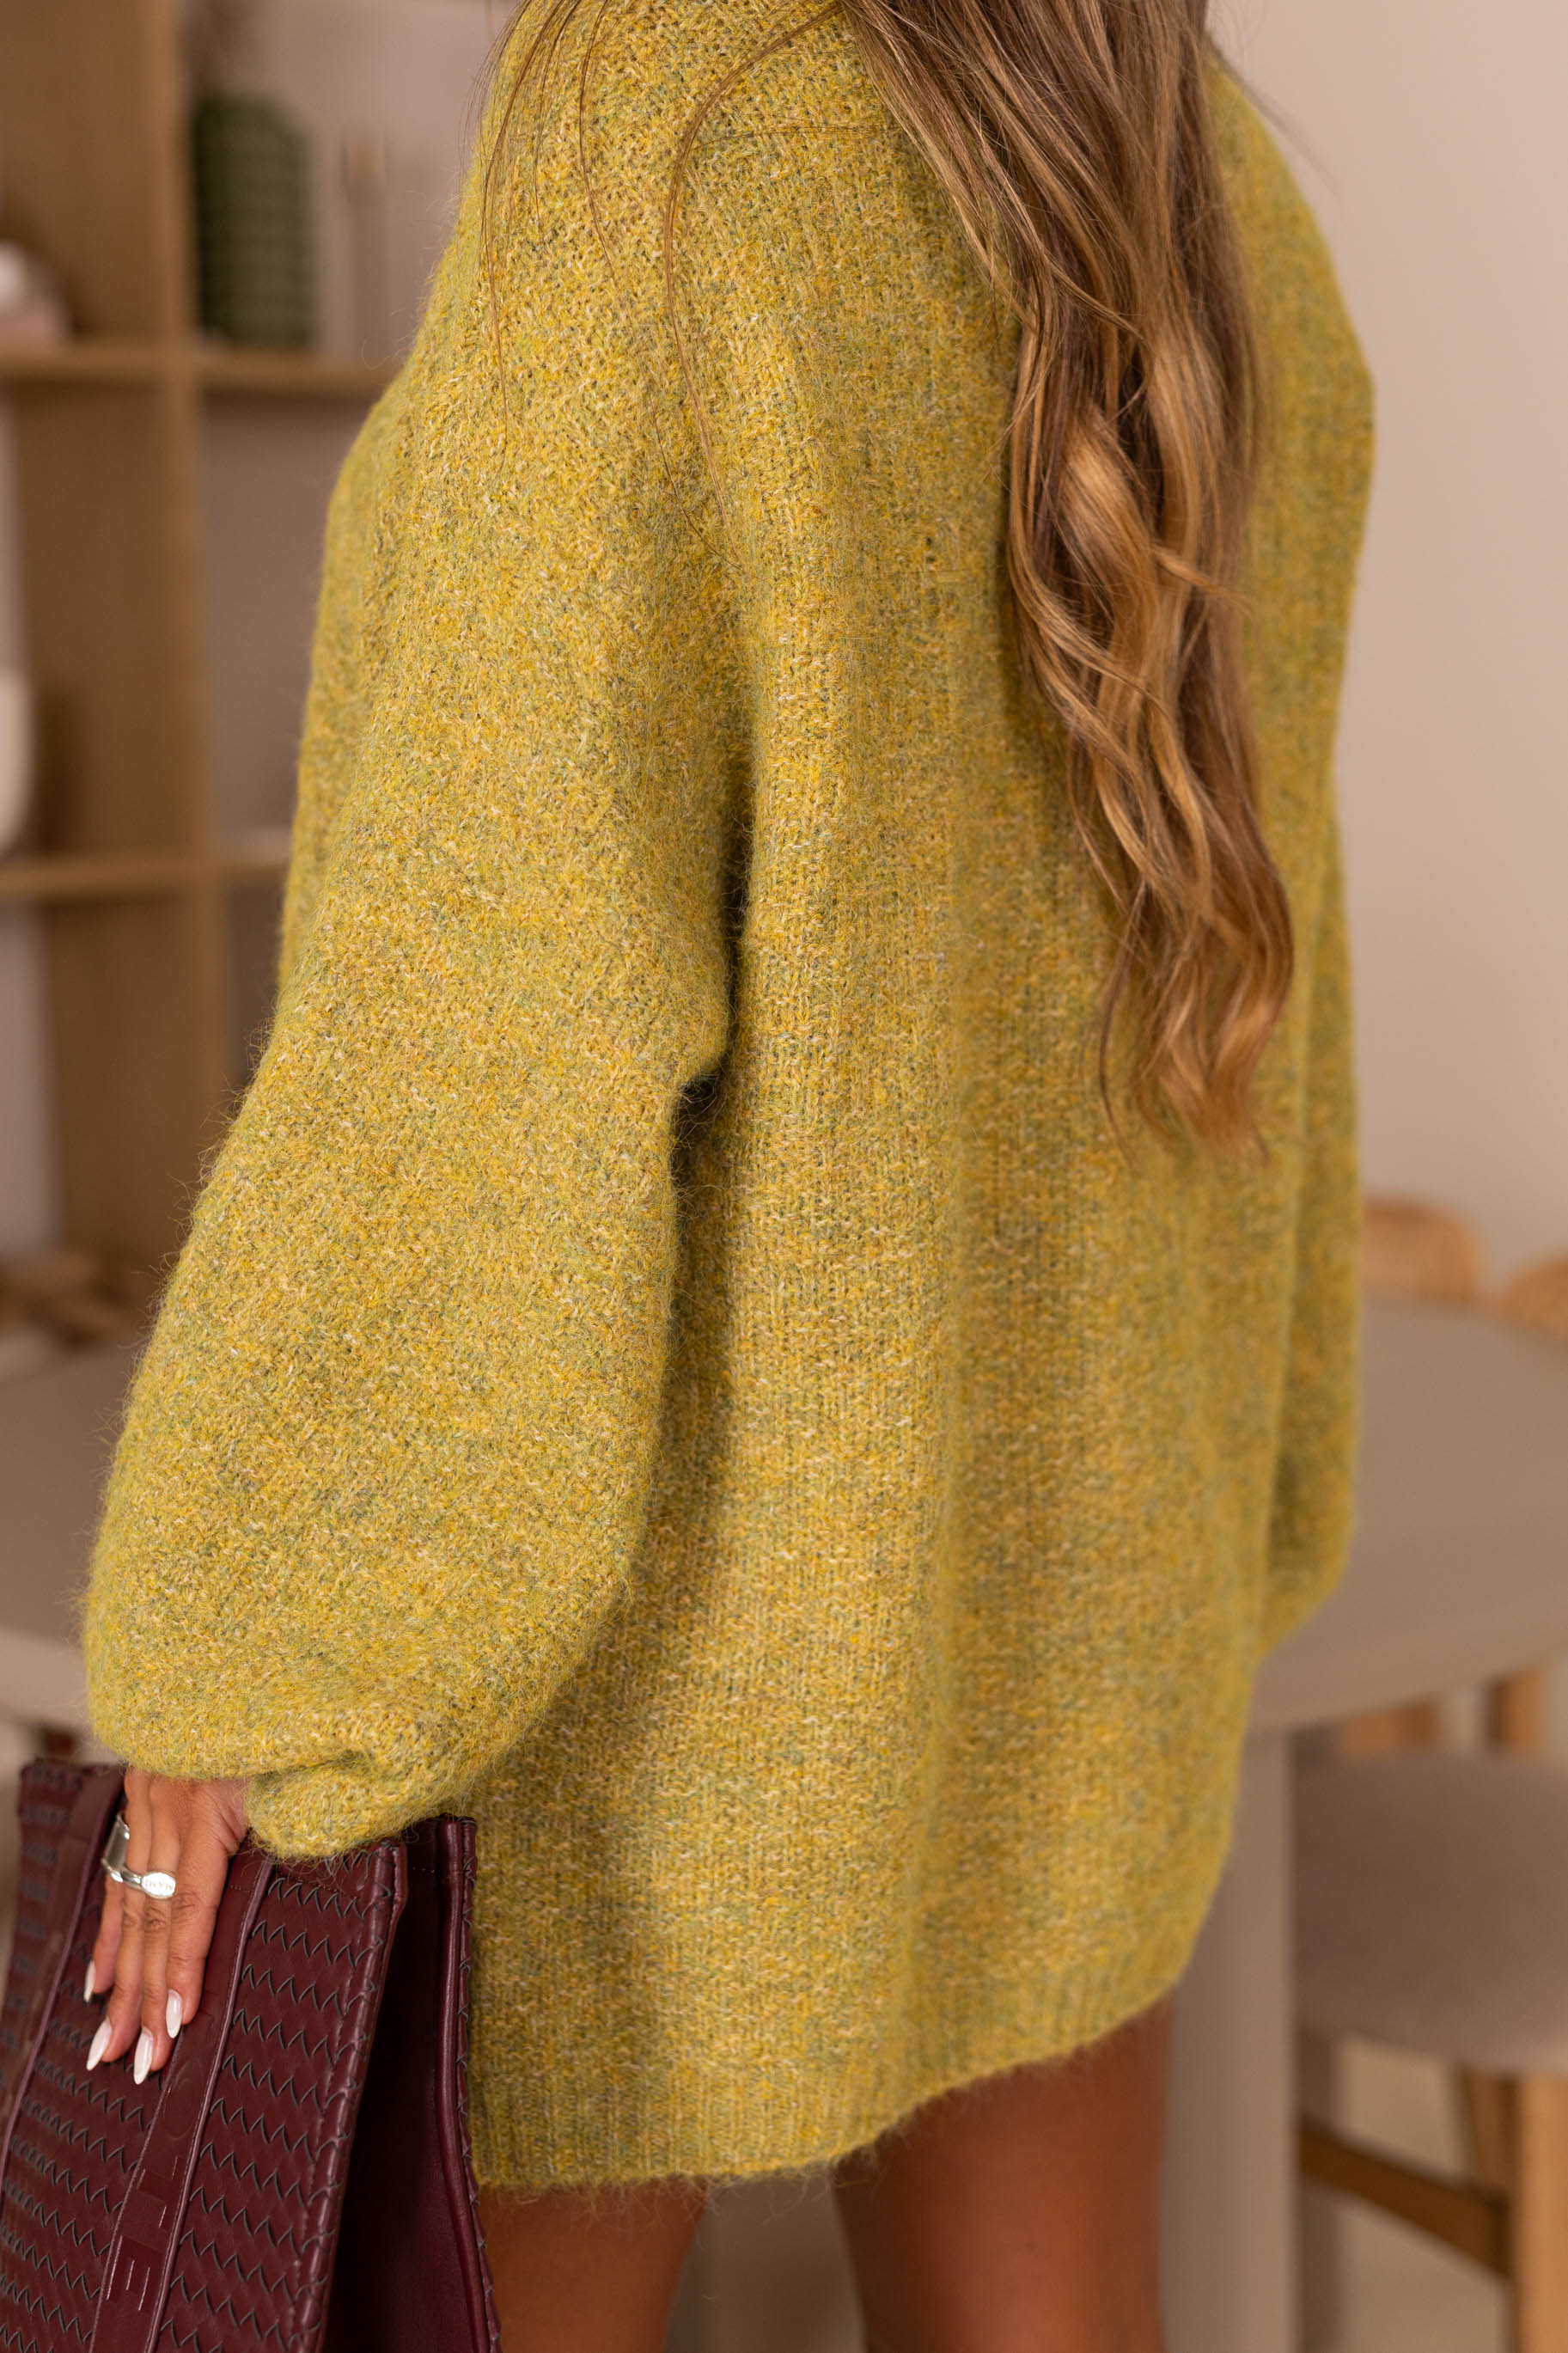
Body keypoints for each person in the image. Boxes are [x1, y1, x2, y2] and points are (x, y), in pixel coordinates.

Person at [76, 0, 1374, 2345]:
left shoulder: (670, 137)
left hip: (650, 1735)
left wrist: (264, 1639)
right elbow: (1278, 1000)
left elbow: (488, 1008)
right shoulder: (1219, 202)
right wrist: (1253, 1491)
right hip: (1079, 1654)